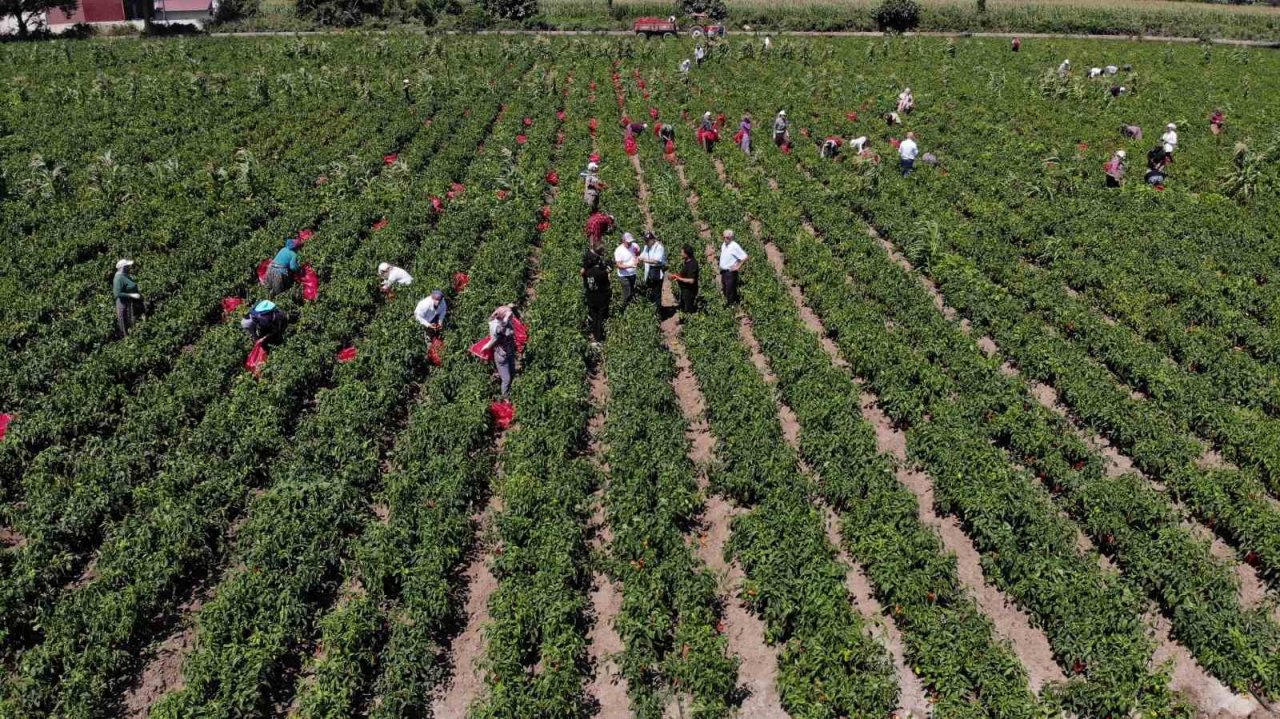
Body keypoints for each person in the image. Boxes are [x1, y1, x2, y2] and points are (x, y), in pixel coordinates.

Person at [484, 305, 518, 397]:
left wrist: (510, 307)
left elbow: (502, 311)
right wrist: (506, 319)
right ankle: (505, 397)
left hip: (509, 351)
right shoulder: (498, 327)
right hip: (502, 355)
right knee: (506, 379)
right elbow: (502, 331)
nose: (511, 317)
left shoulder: (500, 320)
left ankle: (510, 388)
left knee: (512, 372)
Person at [582, 239, 612, 344]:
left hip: (591, 296)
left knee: (594, 316)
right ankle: (598, 338)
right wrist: (608, 270)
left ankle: (594, 334)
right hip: (601, 298)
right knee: (600, 318)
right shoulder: (601, 273)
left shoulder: (588, 272)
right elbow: (607, 283)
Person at [112, 258, 144, 338]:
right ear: (123, 267)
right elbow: (118, 294)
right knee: (125, 323)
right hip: (123, 304)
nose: (129, 268)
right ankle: (127, 339)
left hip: (131, 303)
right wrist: (131, 295)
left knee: (134, 322)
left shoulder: (125, 275)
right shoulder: (118, 278)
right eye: (127, 266)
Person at [718, 229, 748, 306]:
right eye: (724, 237)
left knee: (730, 291)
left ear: (731, 237)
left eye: (727, 237)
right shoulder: (723, 245)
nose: (725, 239)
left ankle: (732, 308)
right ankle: (730, 307)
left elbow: (744, 257)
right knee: (725, 289)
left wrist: (737, 266)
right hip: (724, 272)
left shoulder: (734, 246)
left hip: (730, 273)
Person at [669, 244, 700, 313]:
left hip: (690, 291)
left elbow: (691, 280)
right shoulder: (687, 262)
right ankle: (683, 321)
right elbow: (685, 274)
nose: (681, 254)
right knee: (683, 307)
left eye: (682, 253)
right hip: (685, 290)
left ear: (687, 254)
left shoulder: (693, 264)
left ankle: (690, 322)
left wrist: (679, 278)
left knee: (688, 309)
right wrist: (676, 275)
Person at [639, 231, 666, 306]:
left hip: (656, 273)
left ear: (652, 240)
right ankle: (651, 310)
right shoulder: (646, 247)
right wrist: (638, 259)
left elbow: (656, 261)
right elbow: (642, 255)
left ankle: (658, 312)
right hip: (648, 273)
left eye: (647, 240)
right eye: (645, 240)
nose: (646, 242)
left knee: (656, 292)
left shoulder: (659, 248)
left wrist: (644, 260)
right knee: (649, 291)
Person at [614, 232, 640, 310]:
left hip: (633, 273)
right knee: (627, 290)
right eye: (628, 242)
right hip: (623, 275)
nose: (630, 243)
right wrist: (630, 266)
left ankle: (630, 306)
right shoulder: (619, 250)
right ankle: (624, 307)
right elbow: (619, 265)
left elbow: (638, 252)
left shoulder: (634, 245)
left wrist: (637, 257)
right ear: (623, 241)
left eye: (631, 241)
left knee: (631, 289)